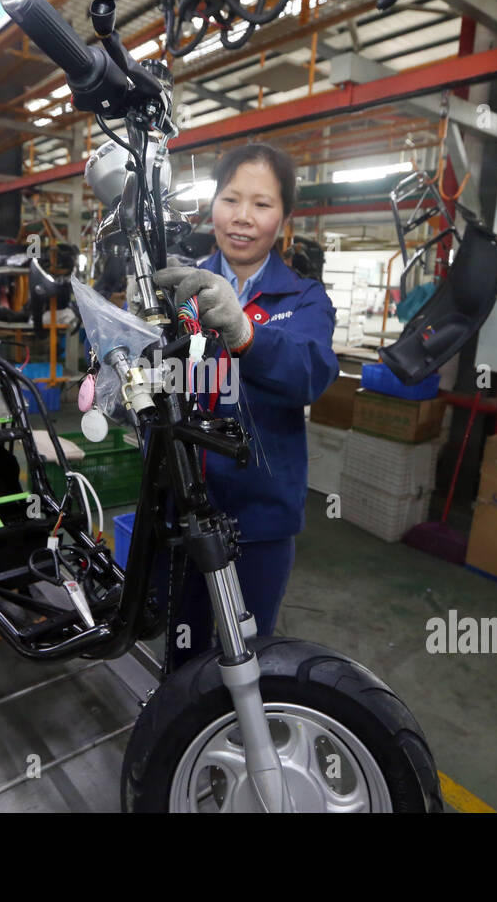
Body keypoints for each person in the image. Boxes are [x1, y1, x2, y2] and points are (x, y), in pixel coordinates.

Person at [148, 143, 339, 670]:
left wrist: (244, 333)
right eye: (231, 199)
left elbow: (310, 374)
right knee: (183, 649)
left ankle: (237, 740)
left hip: (259, 519)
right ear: (212, 204)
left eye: (262, 204)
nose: (243, 218)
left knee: (247, 656)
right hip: (182, 508)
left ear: (284, 217)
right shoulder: (176, 290)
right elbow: (153, 377)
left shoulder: (303, 300)